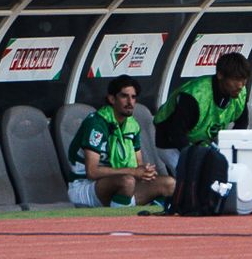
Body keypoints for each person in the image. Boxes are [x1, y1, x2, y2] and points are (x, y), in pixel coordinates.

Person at [66, 77, 176, 207]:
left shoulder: (132, 126)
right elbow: (92, 171)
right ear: (112, 99)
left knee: (169, 184)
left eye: (133, 97)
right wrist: (133, 172)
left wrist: (145, 172)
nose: (130, 102)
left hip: (124, 183)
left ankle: (130, 210)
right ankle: (119, 216)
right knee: (127, 181)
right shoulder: (96, 124)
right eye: (124, 96)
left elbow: (138, 164)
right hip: (85, 187)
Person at [154, 50, 252, 173]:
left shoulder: (240, 93)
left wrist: (230, 152)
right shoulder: (195, 96)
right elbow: (176, 133)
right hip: (169, 142)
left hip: (199, 141)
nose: (240, 85)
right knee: (191, 176)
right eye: (236, 79)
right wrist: (196, 159)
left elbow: (242, 123)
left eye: (244, 80)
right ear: (220, 75)